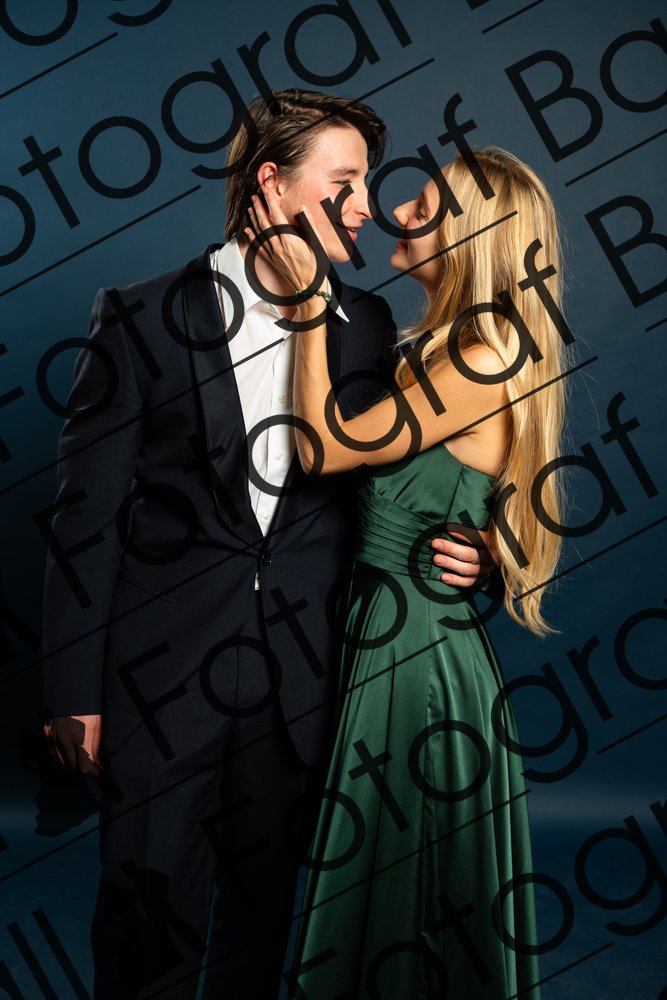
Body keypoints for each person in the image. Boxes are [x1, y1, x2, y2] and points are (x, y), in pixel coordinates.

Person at [40, 89, 494, 999]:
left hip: (307, 683)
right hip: (160, 682)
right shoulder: (137, 315)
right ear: (271, 183)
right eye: (345, 182)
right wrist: (72, 694)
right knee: (144, 920)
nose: (366, 206)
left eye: (367, 183)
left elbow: (415, 478)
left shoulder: (368, 326)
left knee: (266, 924)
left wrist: (488, 553)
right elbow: (83, 521)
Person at [245, 147, 568, 999]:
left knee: (404, 888)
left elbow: (324, 450)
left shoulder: (484, 354)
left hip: (413, 661)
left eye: (424, 209)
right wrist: (488, 546)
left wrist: (306, 305)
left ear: (473, 238)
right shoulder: (436, 345)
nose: (397, 213)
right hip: (381, 636)